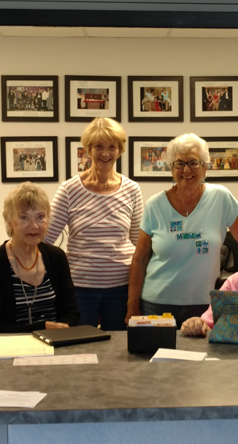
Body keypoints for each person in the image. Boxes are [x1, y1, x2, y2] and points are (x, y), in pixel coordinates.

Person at [126, 133, 238, 328]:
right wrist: (132, 307)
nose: (186, 170)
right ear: (171, 169)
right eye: (179, 163)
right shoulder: (155, 205)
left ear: (205, 167)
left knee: (200, 358)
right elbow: (140, 259)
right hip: (156, 304)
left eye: (193, 162)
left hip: (204, 305)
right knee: (153, 358)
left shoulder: (221, 198)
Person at [44, 118, 143, 331]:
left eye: (112, 147)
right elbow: (44, 238)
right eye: (99, 146)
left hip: (121, 289)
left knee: (119, 352)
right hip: (79, 289)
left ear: (120, 150)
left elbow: (138, 244)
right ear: (88, 149)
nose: (105, 153)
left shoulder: (132, 190)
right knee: (80, 348)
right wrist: (4, 263)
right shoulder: (69, 190)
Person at [0, 182, 80, 333]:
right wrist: (42, 328)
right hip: (11, 350)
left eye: (40, 217)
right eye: (24, 218)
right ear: (10, 222)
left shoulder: (57, 258)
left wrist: (60, 330)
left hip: (56, 345)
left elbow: (72, 312)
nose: (34, 225)